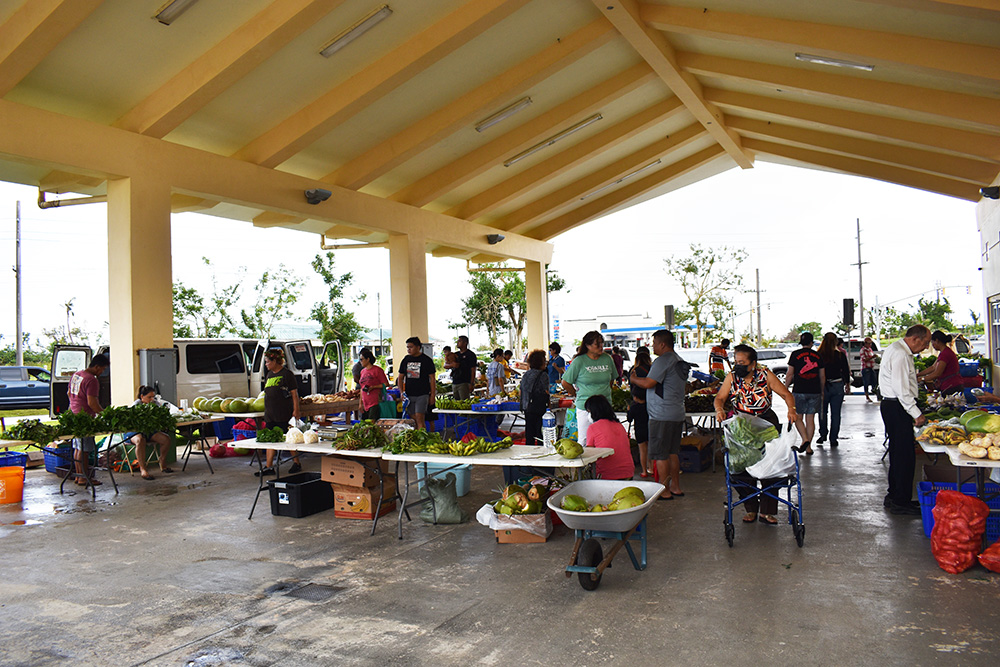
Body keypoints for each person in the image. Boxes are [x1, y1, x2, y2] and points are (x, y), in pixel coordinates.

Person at [714, 344, 798, 524]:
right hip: (741, 426)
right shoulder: (732, 377)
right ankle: (750, 508)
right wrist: (719, 409)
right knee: (741, 467)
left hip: (765, 423)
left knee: (771, 466)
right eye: (736, 362)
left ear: (753, 364)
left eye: (742, 362)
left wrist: (791, 409)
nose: (738, 366)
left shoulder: (765, 375)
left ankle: (767, 511)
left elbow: (786, 394)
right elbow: (720, 397)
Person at [879, 324, 931, 515]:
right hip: (897, 407)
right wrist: (916, 412)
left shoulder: (897, 349)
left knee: (898, 453)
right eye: (925, 343)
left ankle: (894, 496)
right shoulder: (900, 354)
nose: (925, 347)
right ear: (916, 339)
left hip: (893, 406)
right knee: (904, 456)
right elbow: (901, 389)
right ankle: (900, 501)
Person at [630, 330, 689, 499]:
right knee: (672, 452)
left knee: (661, 455)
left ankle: (665, 491)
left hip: (661, 415)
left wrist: (634, 380)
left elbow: (649, 383)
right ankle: (676, 487)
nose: (652, 345)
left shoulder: (663, 361)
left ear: (662, 344)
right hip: (677, 413)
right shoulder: (679, 360)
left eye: (654, 342)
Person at [561, 331, 616, 445]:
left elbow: (611, 379)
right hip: (585, 407)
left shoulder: (608, 359)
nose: (601, 347)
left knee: (606, 439)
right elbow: (565, 382)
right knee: (585, 440)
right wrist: (576, 394)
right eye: (597, 344)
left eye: (602, 343)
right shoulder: (579, 361)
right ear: (588, 345)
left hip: (605, 406)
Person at [257, 348, 302, 477]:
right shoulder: (269, 375)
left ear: (275, 361)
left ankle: (297, 463)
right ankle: (268, 466)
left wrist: (296, 409)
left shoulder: (287, 374)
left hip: (283, 413)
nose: (266, 364)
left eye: (267, 362)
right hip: (270, 413)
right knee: (270, 440)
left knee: (289, 438)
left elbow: (294, 394)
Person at [67, 353, 109, 486]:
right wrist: (105, 414)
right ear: (97, 367)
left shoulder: (77, 375)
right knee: (84, 450)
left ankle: (79, 476)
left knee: (78, 448)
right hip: (84, 418)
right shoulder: (92, 380)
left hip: (73, 415)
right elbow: (92, 403)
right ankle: (84, 477)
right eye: (102, 369)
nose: (102, 372)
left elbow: (69, 393)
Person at [124, 385, 176, 480]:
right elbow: (131, 424)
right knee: (140, 440)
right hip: (134, 431)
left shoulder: (156, 404)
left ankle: (162, 462)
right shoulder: (135, 406)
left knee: (166, 439)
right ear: (142, 396)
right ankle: (143, 469)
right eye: (149, 397)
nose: (152, 399)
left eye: (153, 397)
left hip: (149, 431)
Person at [786, 332, 824, 455]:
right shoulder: (818, 356)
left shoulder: (795, 354)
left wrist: (785, 388)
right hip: (814, 390)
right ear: (812, 343)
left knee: (797, 417)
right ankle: (808, 447)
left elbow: (790, 374)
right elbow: (822, 375)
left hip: (799, 390)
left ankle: (804, 439)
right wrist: (822, 390)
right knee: (810, 419)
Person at [584, 395, 634, 481]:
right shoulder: (619, 425)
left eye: (589, 411)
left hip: (606, 475)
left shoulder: (593, 428)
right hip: (628, 473)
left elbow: (590, 454)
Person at [816, 332, 851, 448]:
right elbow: (845, 370)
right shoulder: (840, 355)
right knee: (836, 414)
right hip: (837, 384)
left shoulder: (818, 355)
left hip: (822, 386)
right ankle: (833, 438)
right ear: (836, 341)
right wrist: (847, 384)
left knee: (822, 412)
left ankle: (823, 434)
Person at [397, 337, 436, 431]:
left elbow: (432, 379)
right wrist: (401, 392)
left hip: (422, 393)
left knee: (420, 417)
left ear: (418, 347)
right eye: (407, 347)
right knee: (413, 418)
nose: (408, 349)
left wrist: (432, 395)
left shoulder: (426, 360)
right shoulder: (406, 359)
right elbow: (400, 377)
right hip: (409, 394)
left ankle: (422, 437)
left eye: (411, 347)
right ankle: (416, 437)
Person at [628, 349, 653, 477]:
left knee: (642, 448)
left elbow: (628, 419)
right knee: (652, 445)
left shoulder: (634, 371)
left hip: (639, 427)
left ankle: (644, 470)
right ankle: (652, 468)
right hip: (651, 411)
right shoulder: (653, 369)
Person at [917, 331, 964, 395]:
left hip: (952, 386)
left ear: (936, 340)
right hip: (950, 385)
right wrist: (918, 375)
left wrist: (922, 379)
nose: (932, 345)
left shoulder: (945, 354)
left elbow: (937, 373)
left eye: (932, 342)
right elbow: (933, 367)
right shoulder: (943, 352)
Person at [519, 350, 549, 446]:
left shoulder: (526, 374)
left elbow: (521, 390)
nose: (546, 362)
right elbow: (546, 391)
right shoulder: (543, 375)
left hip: (527, 406)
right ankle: (542, 452)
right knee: (540, 432)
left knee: (529, 432)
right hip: (538, 406)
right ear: (540, 362)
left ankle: (529, 451)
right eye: (544, 360)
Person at [358, 349, 389, 421]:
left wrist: (374, 387)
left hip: (375, 401)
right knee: (364, 424)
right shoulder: (362, 371)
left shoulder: (377, 370)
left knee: (372, 423)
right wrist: (360, 403)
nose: (360, 361)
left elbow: (385, 384)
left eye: (362, 359)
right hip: (365, 401)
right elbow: (361, 388)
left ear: (368, 359)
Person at [446, 336, 477, 400]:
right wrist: (452, 365)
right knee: (457, 402)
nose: (457, 343)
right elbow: (446, 365)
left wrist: (472, 383)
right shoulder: (455, 354)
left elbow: (473, 370)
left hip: (464, 382)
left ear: (465, 343)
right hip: (455, 381)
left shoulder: (470, 355)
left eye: (459, 341)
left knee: (464, 401)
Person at [860, 337, 879, 402]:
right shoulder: (863, 350)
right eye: (868, 343)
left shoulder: (870, 349)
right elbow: (864, 359)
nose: (870, 345)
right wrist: (872, 357)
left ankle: (875, 393)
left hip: (871, 368)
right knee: (866, 382)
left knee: (874, 381)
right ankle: (867, 396)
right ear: (865, 343)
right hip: (866, 368)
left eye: (871, 343)